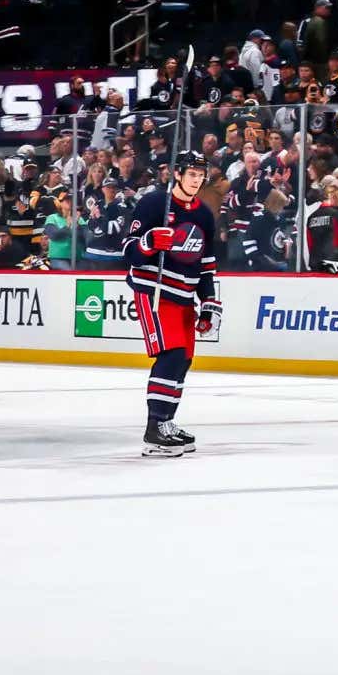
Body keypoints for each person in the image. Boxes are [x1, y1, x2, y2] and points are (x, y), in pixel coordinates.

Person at [125, 149, 219, 457]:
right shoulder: (154, 203)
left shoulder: (204, 214)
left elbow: (205, 265)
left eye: (200, 175)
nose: (196, 180)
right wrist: (149, 242)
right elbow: (128, 250)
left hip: (183, 296)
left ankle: (167, 422)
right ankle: (155, 428)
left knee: (184, 359)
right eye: (191, 174)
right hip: (154, 291)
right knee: (171, 354)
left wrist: (209, 302)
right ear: (177, 174)